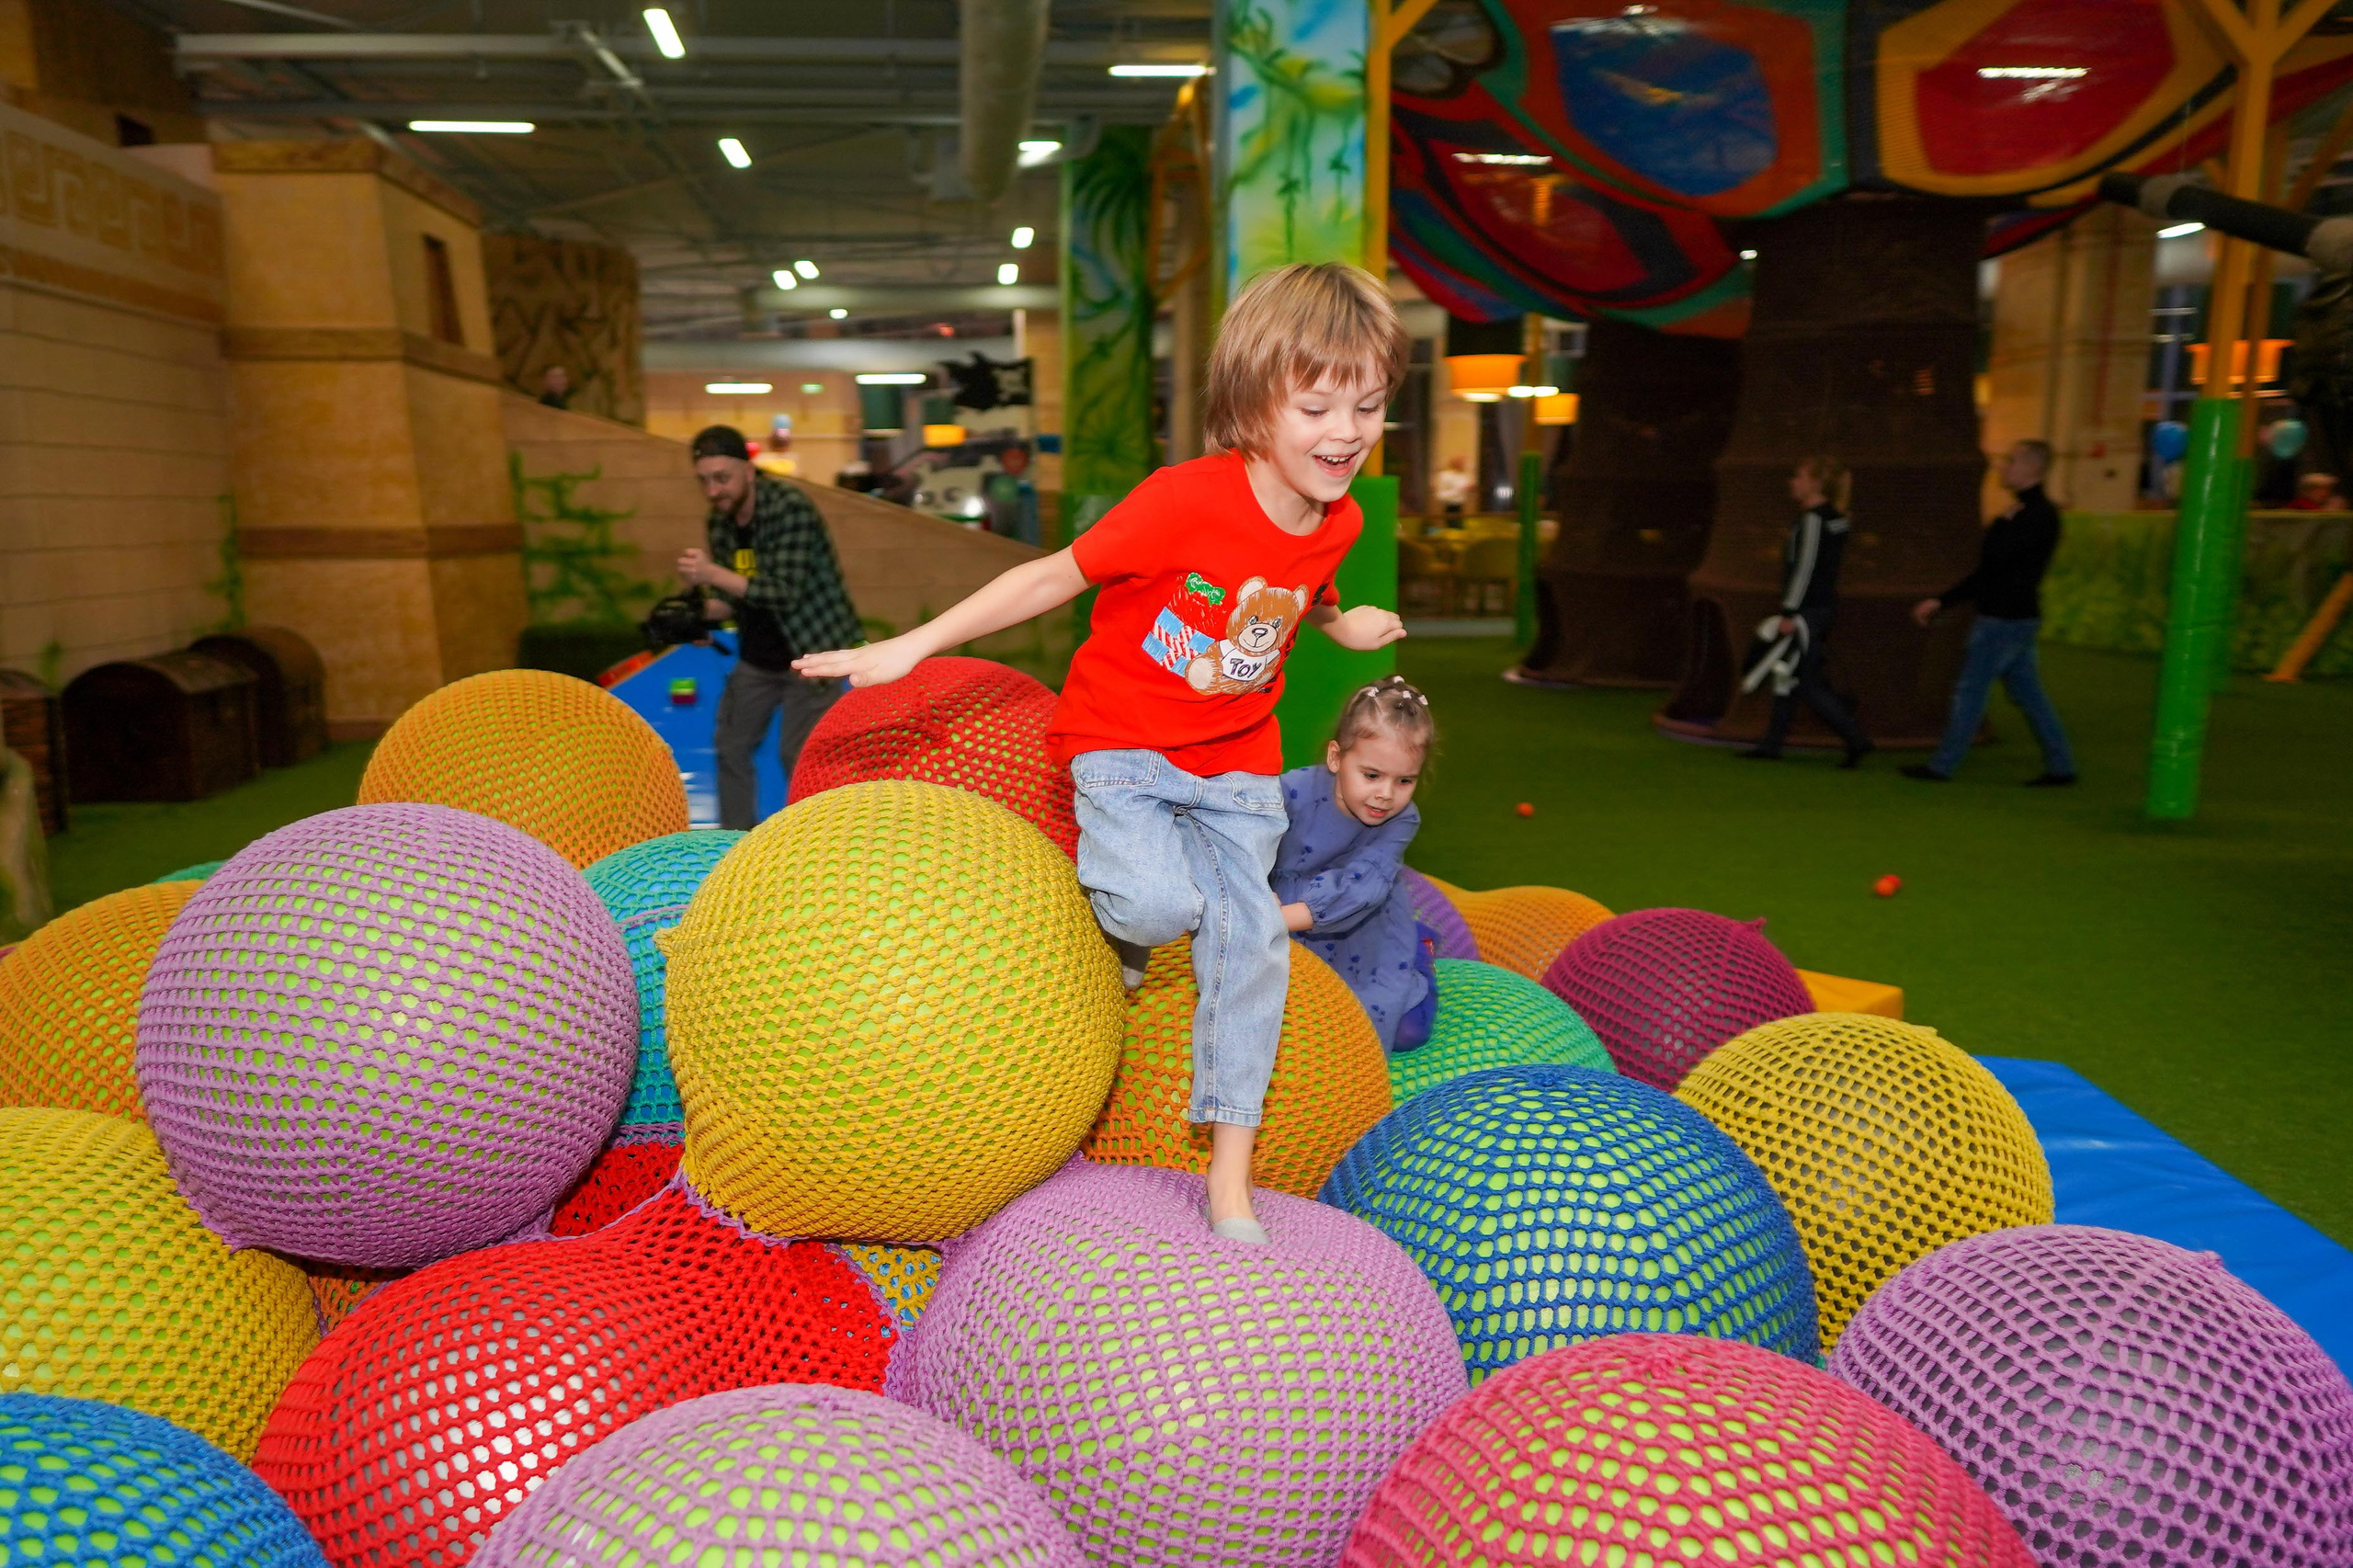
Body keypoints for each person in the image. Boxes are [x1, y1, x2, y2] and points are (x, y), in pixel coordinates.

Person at [797, 262, 1411, 1244]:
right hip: (1124, 741)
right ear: (1255, 404)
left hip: (1238, 760)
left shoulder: (1340, 517)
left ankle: (1229, 1176)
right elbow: (1050, 576)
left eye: (1368, 406)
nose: (1344, 433)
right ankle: (1119, 933)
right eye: (1316, 406)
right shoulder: (1182, 501)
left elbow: (1301, 594)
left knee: (1250, 944)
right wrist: (912, 643)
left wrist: (1342, 626)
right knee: (1158, 904)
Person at [676, 425, 864, 829]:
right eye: (704, 481)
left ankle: (817, 841)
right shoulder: (721, 520)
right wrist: (696, 614)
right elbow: (736, 597)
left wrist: (712, 572)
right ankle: (731, 845)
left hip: (811, 649)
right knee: (731, 746)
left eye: (722, 478)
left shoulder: (789, 508)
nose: (713, 491)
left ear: (748, 470)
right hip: (759, 655)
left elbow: (783, 593)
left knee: (798, 755)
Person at [1273, 677, 1437, 1053]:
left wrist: (1274, 920)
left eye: (1405, 780)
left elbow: (1362, 887)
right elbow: (1247, 843)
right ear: (1336, 758)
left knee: (1405, 1032)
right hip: (1281, 915)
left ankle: (1417, 955)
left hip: (1362, 927)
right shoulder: (1290, 792)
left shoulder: (1402, 819)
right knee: (1291, 1032)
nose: (1386, 794)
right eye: (1372, 775)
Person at [1904, 437, 2076, 786]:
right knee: (2029, 697)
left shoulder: (2033, 516)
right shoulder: (2032, 514)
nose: (2003, 466)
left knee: (1970, 692)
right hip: (2017, 618)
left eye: (2011, 461)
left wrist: (1943, 600)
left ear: (2031, 469)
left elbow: (1993, 565)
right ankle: (2062, 767)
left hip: (2003, 620)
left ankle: (1943, 766)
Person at [1739, 456, 1872, 767]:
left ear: (1816, 483)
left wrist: (1790, 612)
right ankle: (1772, 745)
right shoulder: (1834, 518)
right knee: (1787, 675)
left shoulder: (1813, 520)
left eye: (1798, 476)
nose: (1792, 482)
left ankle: (1856, 740)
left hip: (1807, 612)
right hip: (1818, 609)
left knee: (1804, 682)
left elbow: (1805, 569)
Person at [985, 442, 1040, 545]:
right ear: (1002, 461)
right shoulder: (1002, 484)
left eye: (1019, 458)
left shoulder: (1031, 486)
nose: (1015, 462)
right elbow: (1002, 519)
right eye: (1011, 458)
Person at [1433, 454, 1473, 523]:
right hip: (1449, 506)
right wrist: (1460, 490)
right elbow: (1440, 495)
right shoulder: (1445, 476)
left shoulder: (1464, 476)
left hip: (1461, 505)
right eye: (1460, 462)